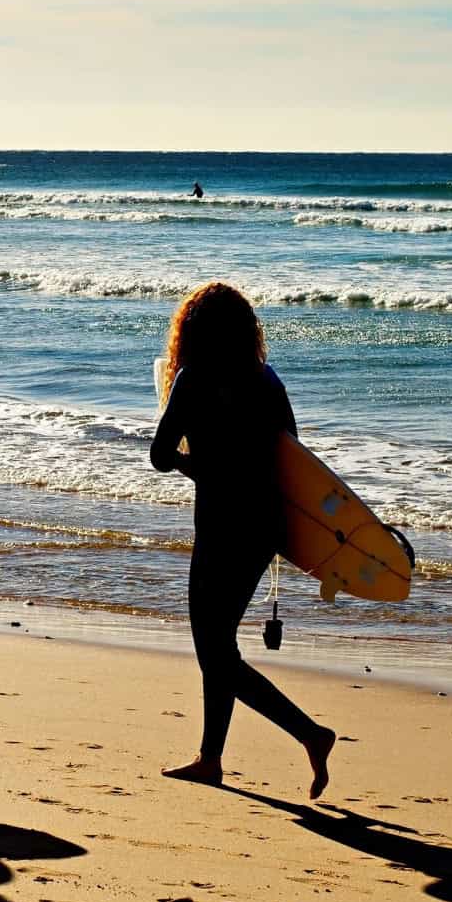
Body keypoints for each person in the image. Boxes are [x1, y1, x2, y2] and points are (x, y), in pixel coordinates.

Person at [150, 282, 335, 798]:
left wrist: (199, 468)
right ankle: (211, 759)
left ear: (191, 329)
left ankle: (310, 733)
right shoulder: (266, 380)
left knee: (215, 651)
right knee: (220, 644)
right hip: (263, 529)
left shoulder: (192, 377)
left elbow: (160, 455)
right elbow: (295, 458)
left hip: (219, 526)